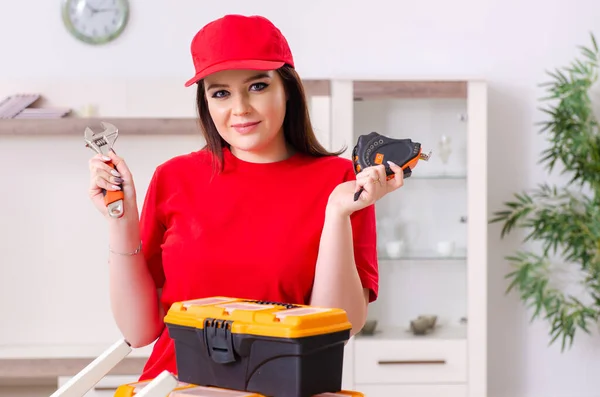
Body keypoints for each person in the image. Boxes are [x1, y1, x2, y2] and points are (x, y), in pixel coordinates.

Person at [87, 14, 405, 381]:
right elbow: (139, 333)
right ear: (206, 103)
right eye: (220, 93)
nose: (240, 109)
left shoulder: (340, 184)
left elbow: (340, 327)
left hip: (281, 389)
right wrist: (120, 221)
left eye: (257, 86)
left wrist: (336, 214)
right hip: (177, 389)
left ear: (287, 88)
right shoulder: (174, 177)